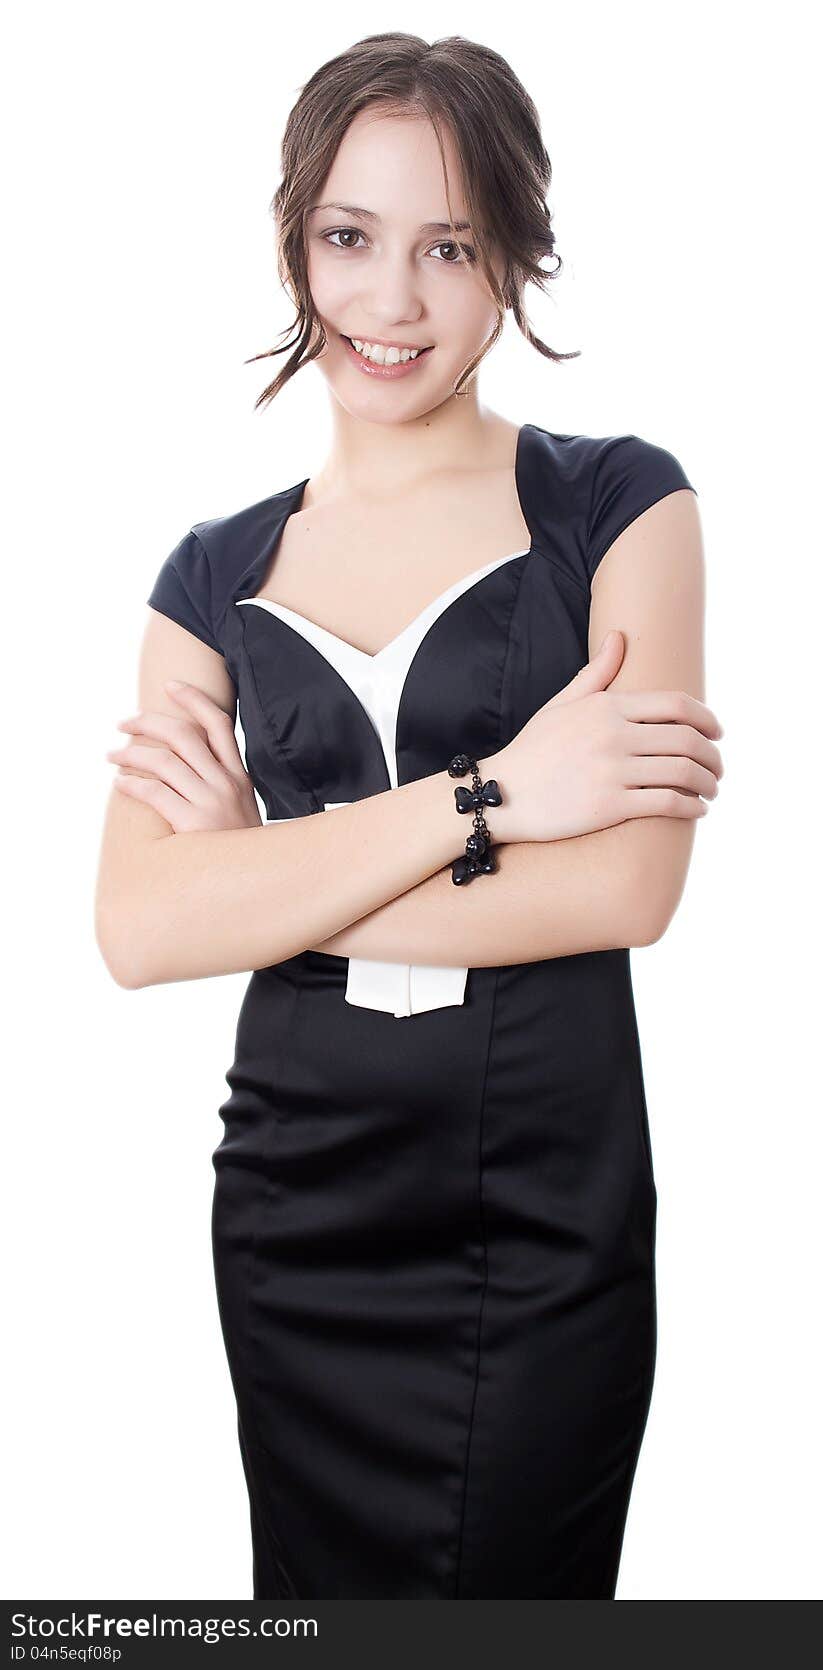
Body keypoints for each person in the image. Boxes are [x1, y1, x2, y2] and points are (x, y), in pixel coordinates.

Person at [95, 32, 724, 1600]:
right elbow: (132, 929)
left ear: (513, 248)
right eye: (348, 239)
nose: (391, 301)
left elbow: (628, 889)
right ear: (297, 242)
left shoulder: (619, 505)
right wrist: (498, 795)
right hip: (300, 1205)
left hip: (542, 1206)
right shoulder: (210, 578)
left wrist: (262, 878)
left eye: (448, 245)